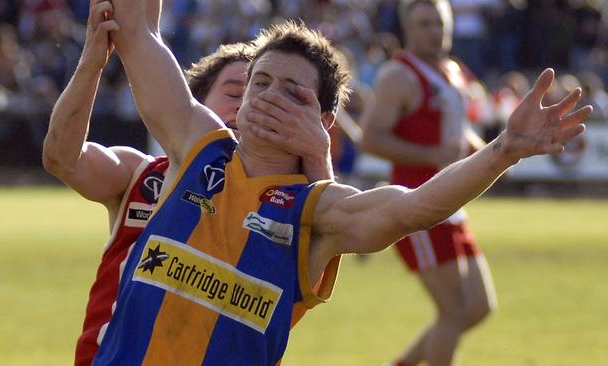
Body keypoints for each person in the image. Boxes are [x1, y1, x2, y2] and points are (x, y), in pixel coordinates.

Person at [90, 1, 591, 364]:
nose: (268, 97)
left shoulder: (315, 212)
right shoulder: (194, 146)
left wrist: (504, 150)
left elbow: (414, 208)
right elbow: (140, 34)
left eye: (292, 91)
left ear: (324, 120)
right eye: (259, 83)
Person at [41, 1, 333, 365]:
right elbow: (61, 158)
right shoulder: (142, 175)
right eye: (235, 93)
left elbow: (319, 241)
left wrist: (318, 155)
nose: (257, 106)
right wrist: (92, 61)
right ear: (196, 104)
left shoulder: (286, 210)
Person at [360, 1, 496, 365]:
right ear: (408, 29)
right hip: (418, 203)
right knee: (453, 311)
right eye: (424, 24)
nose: (434, 31)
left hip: (453, 203)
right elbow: (371, 138)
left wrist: (492, 153)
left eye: (440, 23)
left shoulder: (453, 71)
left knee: (479, 306)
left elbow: (456, 131)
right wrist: (432, 154)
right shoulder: (398, 76)